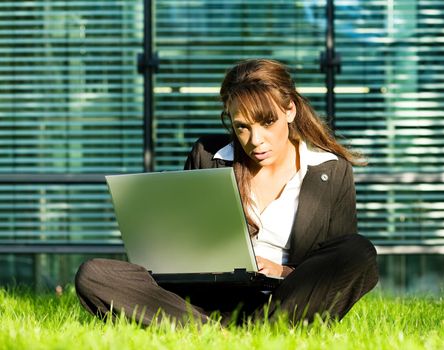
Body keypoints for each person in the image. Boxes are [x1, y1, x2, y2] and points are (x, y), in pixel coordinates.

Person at [75, 58, 379, 327]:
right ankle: (219, 331)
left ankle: (253, 327)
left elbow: (332, 261)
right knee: (94, 274)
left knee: (358, 251)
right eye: (242, 127)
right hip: (211, 297)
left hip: (287, 298)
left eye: (266, 122)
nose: (255, 140)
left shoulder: (331, 169)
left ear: (290, 110)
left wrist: (285, 271)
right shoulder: (208, 155)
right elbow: (184, 242)